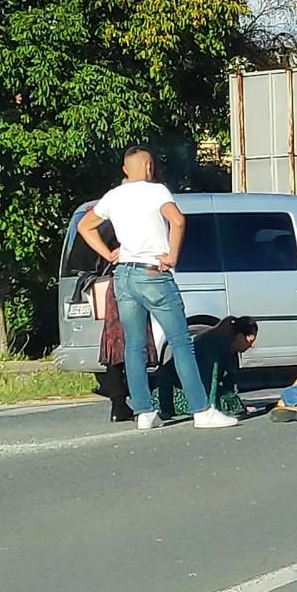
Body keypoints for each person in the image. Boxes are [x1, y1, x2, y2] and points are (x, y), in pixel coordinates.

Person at [78, 146, 238, 430]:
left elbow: (85, 226)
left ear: (125, 170)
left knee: (134, 347)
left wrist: (108, 253)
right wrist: (173, 255)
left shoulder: (113, 197)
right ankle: (202, 411)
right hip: (153, 273)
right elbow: (178, 220)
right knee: (181, 342)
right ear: (149, 167)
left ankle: (144, 412)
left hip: (123, 275)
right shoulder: (157, 192)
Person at [153, 316, 258, 419]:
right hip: (175, 387)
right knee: (220, 401)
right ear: (240, 336)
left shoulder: (230, 351)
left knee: (227, 399)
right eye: (250, 340)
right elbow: (211, 378)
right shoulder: (213, 346)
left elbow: (230, 383)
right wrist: (210, 408)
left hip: (198, 384)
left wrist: (236, 403)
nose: (251, 345)